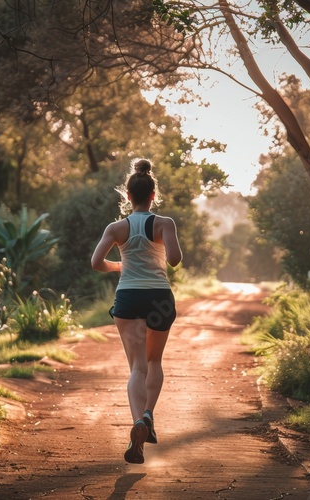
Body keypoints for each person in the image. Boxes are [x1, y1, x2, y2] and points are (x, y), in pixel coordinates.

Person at [91, 158, 182, 464]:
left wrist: (120, 265)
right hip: (158, 297)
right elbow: (175, 260)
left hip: (128, 298)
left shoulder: (116, 228)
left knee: (137, 367)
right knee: (155, 360)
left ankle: (137, 425)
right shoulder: (164, 223)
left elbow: (95, 263)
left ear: (127, 196)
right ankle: (148, 415)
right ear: (153, 195)